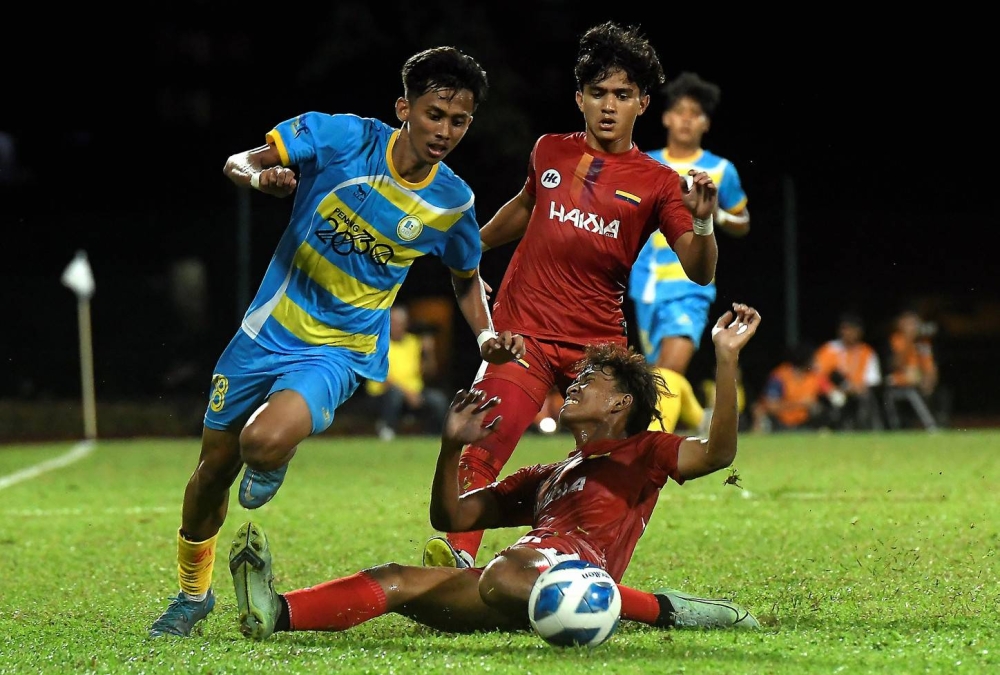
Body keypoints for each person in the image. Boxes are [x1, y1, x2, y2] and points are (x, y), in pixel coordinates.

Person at [149, 46, 527, 638]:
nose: (445, 131)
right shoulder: (339, 137)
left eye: (459, 121)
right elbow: (239, 160)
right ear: (405, 107)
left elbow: (466, 276)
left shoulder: (452, 203)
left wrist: (485, 335)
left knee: (262, 443)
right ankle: (193, 594)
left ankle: (278, 449)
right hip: (265, 330)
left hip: (340, 349)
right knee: (211, 472)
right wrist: (262, 176)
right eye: (434, 115)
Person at [228, 304, 763, 641]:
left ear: (622, 401)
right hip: (512, 581)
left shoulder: (646, 451)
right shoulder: (549, 475)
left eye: (592, 378)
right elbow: (452, 515)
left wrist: (727, 359)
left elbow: (716, 454)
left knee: (504, 570)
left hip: (563, 575)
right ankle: (276, 613)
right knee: (397, 579)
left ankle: (665, 610)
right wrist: (449, 449)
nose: (574, 383)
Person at [421, 20, 720, 570]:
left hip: (598, 348)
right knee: (480, 443)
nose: (609, 106)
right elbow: (526, 205)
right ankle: (458, 561)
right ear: (579, 97)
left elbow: (700, 272)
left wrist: (703, 225)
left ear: (643, 103)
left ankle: (588, 561)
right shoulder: (550, 151)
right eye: (599, 93)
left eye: (623, 95)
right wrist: (469, 249)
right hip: (522, 332)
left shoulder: (656, 182)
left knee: (618, 461)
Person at [627, 71, 750, 435]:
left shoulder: (720, 169)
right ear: (665, 117)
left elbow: (743, 221)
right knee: (657, 377)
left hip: (690, 282)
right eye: (679, 111)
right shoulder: (644, 164)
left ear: (706, 123)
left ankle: (645, 457)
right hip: (644, 287)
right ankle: (704, 421)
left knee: (668, 370)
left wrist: (717, 214)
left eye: (694, 113)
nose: (685, 119)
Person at [365, 305, 450, 440]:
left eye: (400, 323)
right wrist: (408, 394)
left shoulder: (414, 343)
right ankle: (387, 431)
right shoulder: (378, 343)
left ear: (406, 324)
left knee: (438, 399)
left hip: (414, 393)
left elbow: (429, 373)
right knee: (394, 394)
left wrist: (429, 352)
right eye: (393, 322)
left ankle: (436, 436)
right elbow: (384, 378)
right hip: (383, 394)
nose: (396, 326)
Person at [813, 312, 882, 430]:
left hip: (856, 394)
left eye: (851, 329)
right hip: (831, 393)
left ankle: (863, 430)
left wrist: (854, 388)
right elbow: (816, 375)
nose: (846, 333)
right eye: (844, 329)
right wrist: (831, 391)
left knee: (865, 398)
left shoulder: (867, 352)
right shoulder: (829, 349)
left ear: (859, 331)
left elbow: (873, 381)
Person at [882, 307, 943, 430]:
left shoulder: (923, 342)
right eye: (909, 323)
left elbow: (929, 366)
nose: (913, 326)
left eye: (915, 323)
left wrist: (930, 379)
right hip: (898, 380)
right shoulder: (895, 340)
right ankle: (929, 426)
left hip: (918, 379)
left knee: (937, 389)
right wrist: (909, 340)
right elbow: (896, 365)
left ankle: (935, 424)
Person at [751, 343, 835, 432]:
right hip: (779, 423)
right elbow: (771, 406)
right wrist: (800, 404)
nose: (816, 362)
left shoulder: (815, 376)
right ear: (805, 360)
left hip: (806, 423)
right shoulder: (780, 377)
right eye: (813, 359)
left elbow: (833, 394)